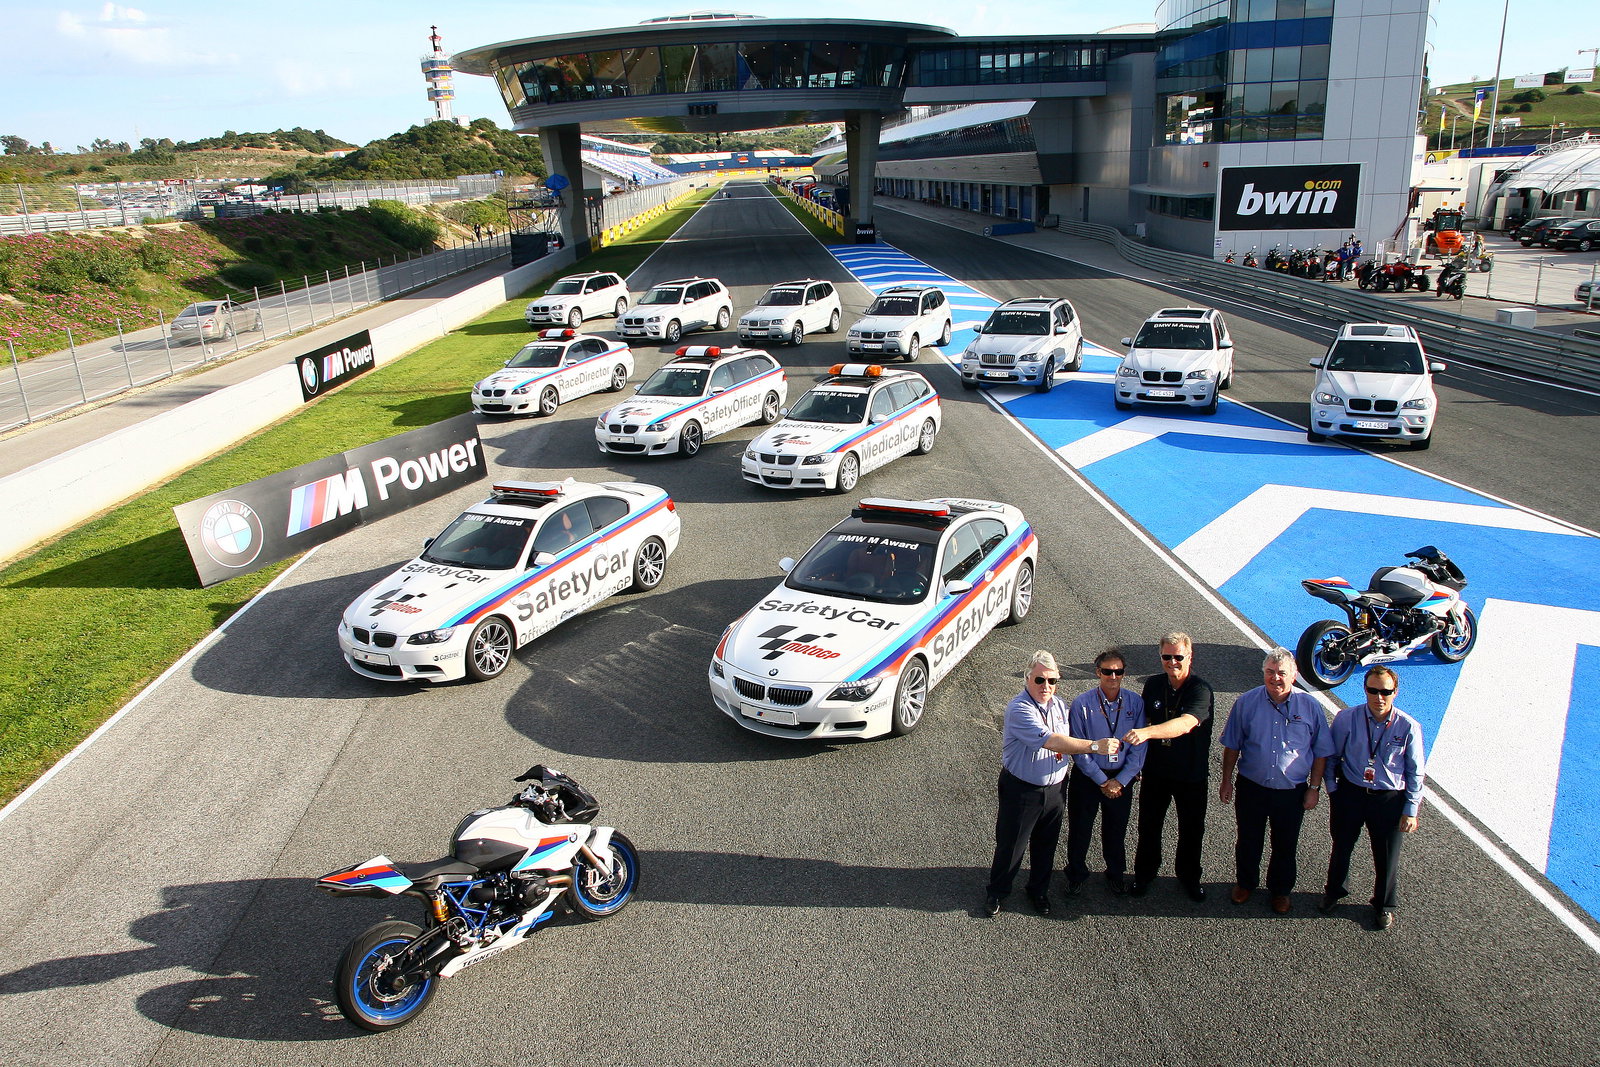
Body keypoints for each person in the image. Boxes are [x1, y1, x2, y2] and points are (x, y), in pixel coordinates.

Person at [985, 651, 1120, 917]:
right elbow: (1052, 741)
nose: (1046, 686)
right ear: (1027, 678)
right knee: (1012, 845)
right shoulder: (1019, 709)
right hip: (1023, 789)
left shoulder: (1059, 706)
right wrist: (1095, 747)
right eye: (1039, 680)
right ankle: (997, 891)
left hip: (1056, 788)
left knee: (1046, 844)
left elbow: (1072, 735)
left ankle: (1038, 891)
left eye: (1052, 680)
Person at [1219, 647, 1334, 914]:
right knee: (1248, 839)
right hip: (1251, 787)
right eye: (1270, 672)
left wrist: (1314, 788)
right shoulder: (1246, 702)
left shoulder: (1310, 707)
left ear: (1294, 675)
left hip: (1291, 791)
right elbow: (1232, 745)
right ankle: (1246, 883)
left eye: (1282, 673)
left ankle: (1280, 891)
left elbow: (1321, 751)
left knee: (1285, 844)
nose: (1275, 678)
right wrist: (1226, 780)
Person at [1317, 666, 1425, 930]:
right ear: (1364, 689)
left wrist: (1411, 809)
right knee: (1341, 846)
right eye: (1373, 690)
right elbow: (1332, 757)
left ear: (1395, 692)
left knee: (1386, 856)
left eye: (1385, 692)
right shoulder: (1346, 718)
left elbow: (1415, 771)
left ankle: (1383, 905)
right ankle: (1334, 891)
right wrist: (1332, 789)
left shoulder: (1408, 726)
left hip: (1389, 799)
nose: (1379, 697)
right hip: (1351, 794)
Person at [1122, 632, 1215, 902]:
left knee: (1192, 829)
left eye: (1178, 656)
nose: (1172, 662)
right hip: (1156, 772)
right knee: (1148, 826)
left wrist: (1147, 733)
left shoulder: (1201, 690)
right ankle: (1144, 874)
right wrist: (1135, 760)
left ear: (1190, 656)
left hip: (1190, 774)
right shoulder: (1152, 685)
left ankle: (1189, 877)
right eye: (1166, 656)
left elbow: (1185, 723)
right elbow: (1144, 717)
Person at [1064, 649, 1146, 895]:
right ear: (1098, 672)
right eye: (1107, 671)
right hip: (1089, 777)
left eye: (1118, 671)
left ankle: (1115, 873)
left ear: (1124, 673)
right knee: (1080, 828)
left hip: (1122, 777)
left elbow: (1140, 747)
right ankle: (1076, 873)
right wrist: (1102, 781)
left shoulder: (1135, 703)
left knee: (1116, 829)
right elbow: (1078, 748)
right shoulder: (1082, 704)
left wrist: (1120, 781)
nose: (1113, 676)